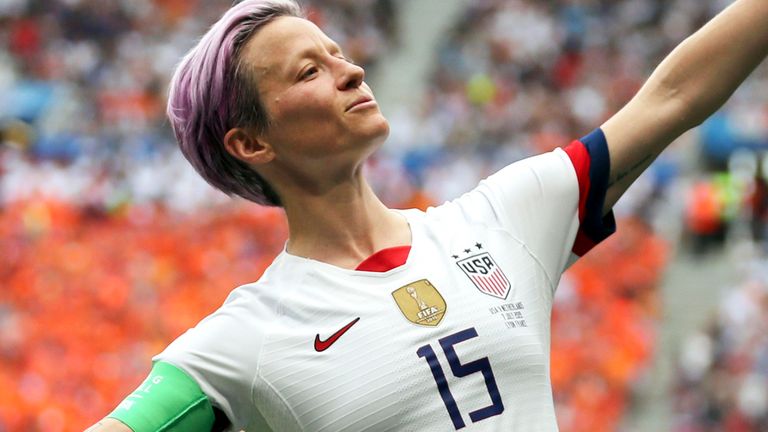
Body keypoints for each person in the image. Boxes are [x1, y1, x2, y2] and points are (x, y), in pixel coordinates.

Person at [86, 0, 768, 430]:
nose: (350, 71)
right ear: (252, 142)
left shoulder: (501, 220)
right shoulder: (245, 340)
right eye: (307, 73)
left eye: (339, 54)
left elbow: (672, 96)